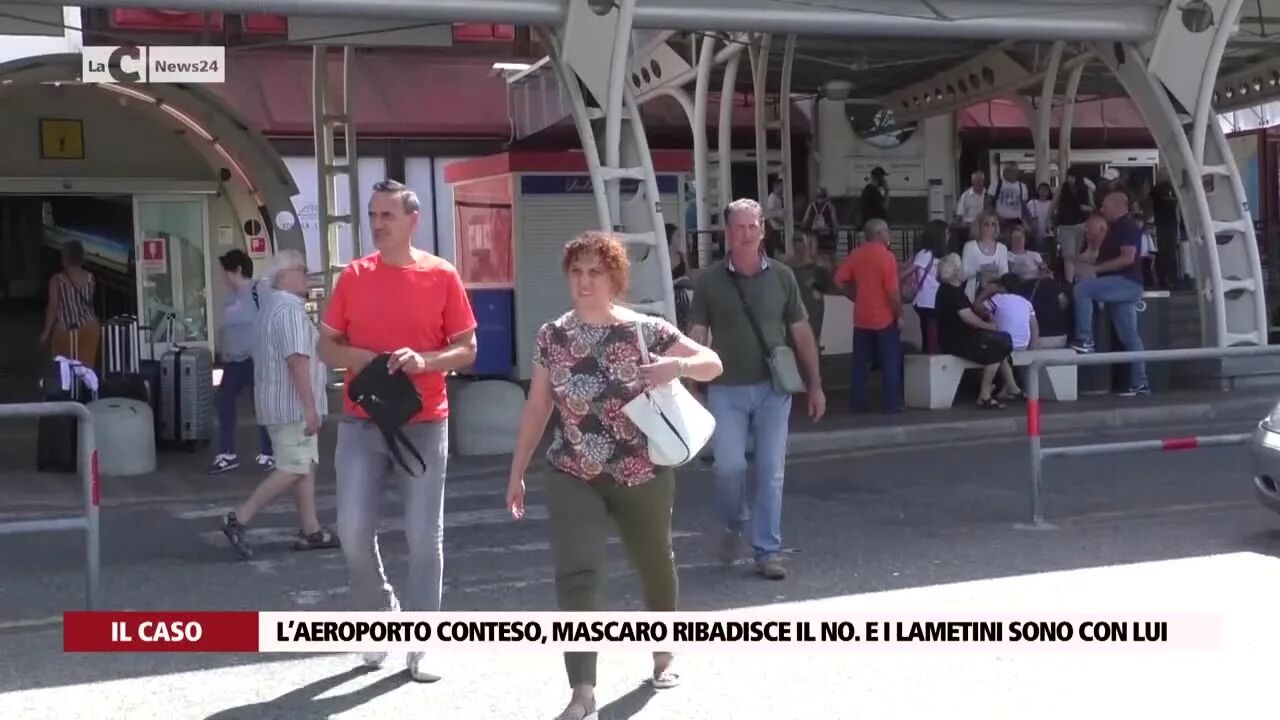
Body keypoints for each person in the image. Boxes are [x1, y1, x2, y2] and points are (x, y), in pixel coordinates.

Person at [505, 230, 723, 720]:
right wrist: (517, 471)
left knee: (653, 563)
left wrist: (675, 368)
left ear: (614, 278)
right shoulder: (552, 335)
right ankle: (582, 691)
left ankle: (663, 652)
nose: (584, 281)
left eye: (595, 272)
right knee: (577, 574)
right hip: (571, 469)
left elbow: (712, 363)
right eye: (577, 272)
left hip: (639, 470)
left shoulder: (646, 329)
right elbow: (538, 406)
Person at [316, 179, 478, 682]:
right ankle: (380, 617)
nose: (378, 223)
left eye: (387, 215)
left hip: (426, 422)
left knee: (423, 536)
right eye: (373, 215)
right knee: (353, 531)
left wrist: (423, 359)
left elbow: (468, 350)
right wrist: (365, 358)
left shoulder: (441, 274)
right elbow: (326, 347)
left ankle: (424, 639)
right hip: (362, 421)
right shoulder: (354, 277)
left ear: (413, 220)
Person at [688, 198, 825, 581]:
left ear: (763, 231)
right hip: (725, 389)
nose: (746, 234)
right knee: (728, 469)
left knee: (771, 473)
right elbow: (696, 336)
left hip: (772, 388)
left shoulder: (782, 277)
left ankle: (767, 550)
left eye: (753, 227)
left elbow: (801, 332)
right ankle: (734, 523)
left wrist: (814, 385)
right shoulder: (710, 280)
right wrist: (691, 387)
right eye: (738, 227)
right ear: (727, 234)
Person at [220, 250, 339, 560]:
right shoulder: (286, 310)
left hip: (282, 403)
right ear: (283, 277)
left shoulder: (276, 307)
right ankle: (239, 518)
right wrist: (310, 406)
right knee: (292, 466)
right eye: (301, 269)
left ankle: (310, 529)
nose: (307, 274)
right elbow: (296, 360)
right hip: (291, 406)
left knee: (303, 465)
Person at [1069, 188, 1151, 396]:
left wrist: (1095, 270)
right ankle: (1140, 383)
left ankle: (1085, 339)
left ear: (1116, 206)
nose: (1102, 209)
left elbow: (1128, 258)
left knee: (1082, 290)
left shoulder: (1127, 226)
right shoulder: (1116, 229)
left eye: (1105, 206)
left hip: (1127, 283)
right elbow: (1108, 260)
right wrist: (1079, 260)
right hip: (1124, 285)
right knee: (1130, 337)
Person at [209, 249, 275, 475]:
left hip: (257, 358)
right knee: (224, 402)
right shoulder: (230, 297)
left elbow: (272, 320)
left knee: (262, 406)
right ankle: (227, 453)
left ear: (237, 270)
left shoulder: (259, 291)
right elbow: (227, 328)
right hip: (233, 361)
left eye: (226, 271)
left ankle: (269, 453)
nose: (223, 277)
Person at [834, 218, 903, 414]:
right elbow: (892, 292)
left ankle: (859, 404)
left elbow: (839, 279)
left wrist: (853, 296)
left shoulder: (856, 254)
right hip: (885, 318)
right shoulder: (886, 257)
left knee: (860, 364)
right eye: (887, 231)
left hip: (862, 317)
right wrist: (900, 313)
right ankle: (892, 403)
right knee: (890, 361)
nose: (889, 235)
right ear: (880, 234)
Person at [934, 254, 1020, 408]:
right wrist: (989, 326)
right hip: (957, 342)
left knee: (1000, 343)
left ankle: (1011, 386)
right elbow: (967, 317)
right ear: (954, 272)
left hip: (956, 339)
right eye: (960, 268)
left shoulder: (947, 290)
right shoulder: (953, 293)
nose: (963, 271)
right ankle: (985, 394)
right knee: (996, 349)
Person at [41, 240, 100, 368]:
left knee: (63, 370)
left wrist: (46, 332)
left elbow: (53, 308)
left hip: (65, 330)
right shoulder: (91, 278)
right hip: (89, 328)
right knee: (85, 371)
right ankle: (84, 388)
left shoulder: (57, 280)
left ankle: (68, 388)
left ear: (65, 256)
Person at [908, 220, 948, 353]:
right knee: (931, 337)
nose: (948, 237)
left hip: (934, 300)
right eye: (946, 233)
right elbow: (909, 270)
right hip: (926, 300)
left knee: (931, 335)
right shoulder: (925, 254)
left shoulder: (938, 255)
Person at [961, 211, 1009, 300]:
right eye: (986, 224)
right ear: (979, 226)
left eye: (993, 224)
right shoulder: (970, 246)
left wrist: (993, 275)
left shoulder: (1002, 248)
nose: (990, 227)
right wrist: (981, 272)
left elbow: (1005, 274)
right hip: (973, 292)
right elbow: (964, 273)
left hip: (995, 293)